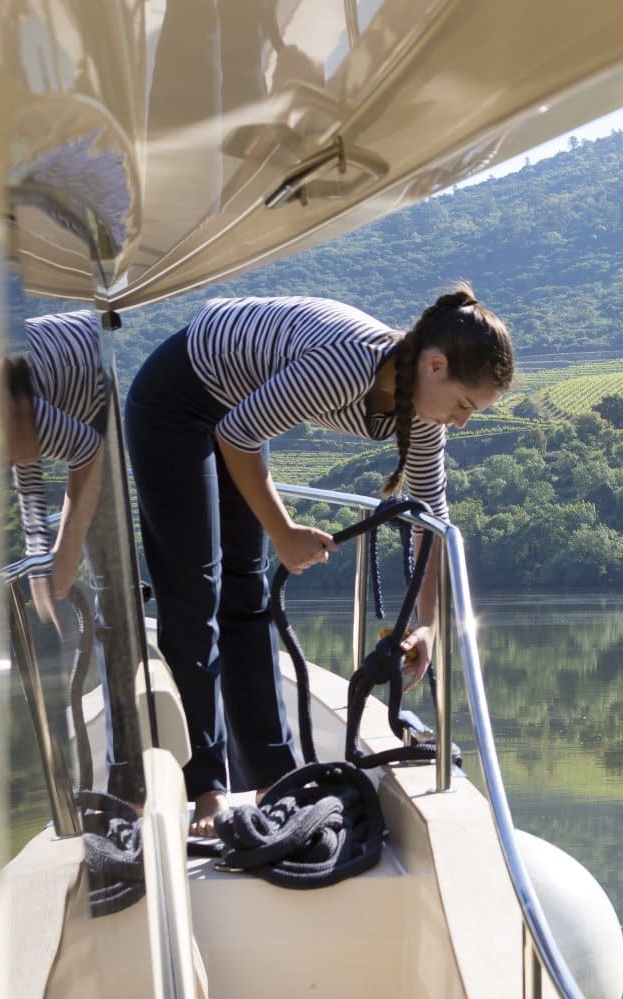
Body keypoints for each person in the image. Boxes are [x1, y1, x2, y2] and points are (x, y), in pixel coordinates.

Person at [126, 285, 513, 832]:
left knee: (248, 593)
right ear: (434, 365)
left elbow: (430, 520)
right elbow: (237, 434)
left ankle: (274, 779)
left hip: (237, 410)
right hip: (177, 400)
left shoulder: (422, 415)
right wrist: (282, 530)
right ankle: (207, 792)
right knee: (194, 594)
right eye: (463, 405)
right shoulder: (348, 365)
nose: (463, 422)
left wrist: (428, 625)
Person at [2, 311, 106, 625]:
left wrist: (67, 550)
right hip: (79, 380)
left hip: (103, 374)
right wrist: (38, 558)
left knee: (108, 564)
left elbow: (89, 451)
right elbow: (26, 455)